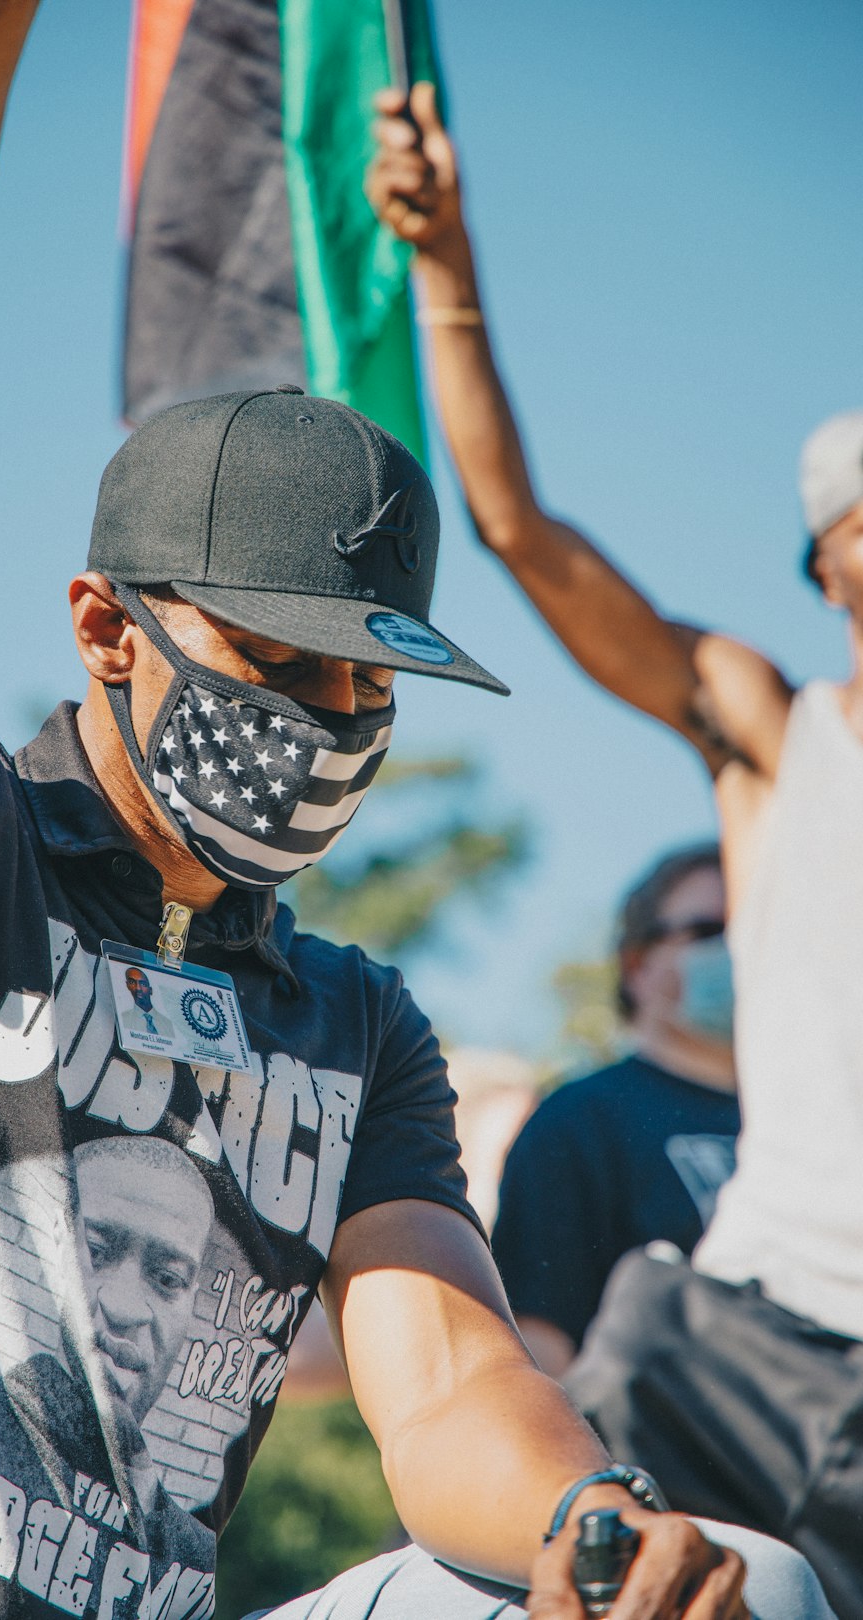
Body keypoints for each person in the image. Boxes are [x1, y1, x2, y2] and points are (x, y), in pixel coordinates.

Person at [0, 7, 829, 1618]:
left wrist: (589, 1526)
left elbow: (445, 1382)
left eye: (369, 687)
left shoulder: (356, 1027)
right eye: (276, 662)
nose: (327, 725)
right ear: (106, 628)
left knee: (744, 1583)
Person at [369, 79, 863, 1618]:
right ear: (832, 563)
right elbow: (520, 530)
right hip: (757, 1352)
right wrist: (447, 270)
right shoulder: (781, 737)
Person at [0, 1137, 215, 1595]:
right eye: (97, 1251)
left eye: (168, 1279)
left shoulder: (187, 1557)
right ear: (57, 1242)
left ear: (194, 1299)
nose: (124, 1306)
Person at [492, 843, 740, 1378]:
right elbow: (539, 1350)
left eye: (751, 928)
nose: (736, 950)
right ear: (637, 966)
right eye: (707, 932)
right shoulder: (578, 1120)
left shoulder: (820, 1131)